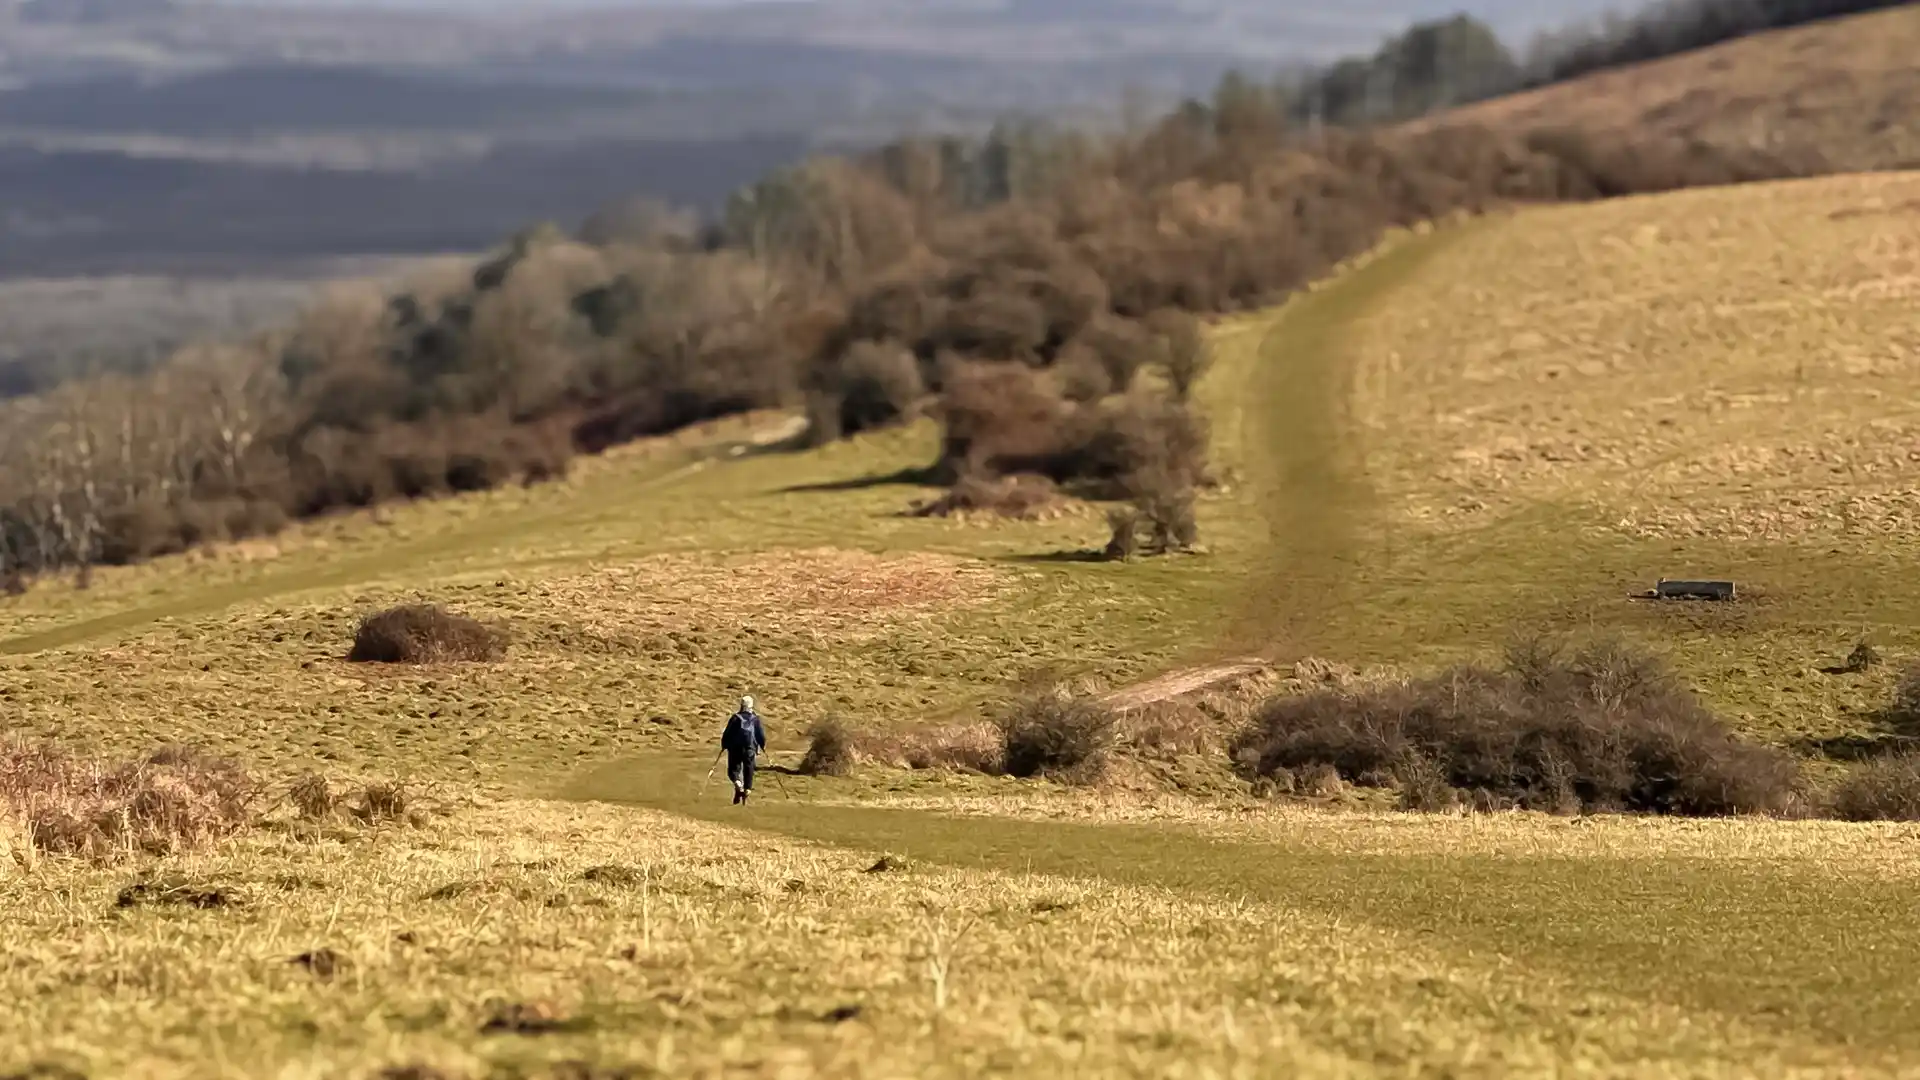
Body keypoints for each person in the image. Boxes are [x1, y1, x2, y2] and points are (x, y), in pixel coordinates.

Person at [720, 695, 767, 805]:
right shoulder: (755, 719)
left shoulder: (735, 718)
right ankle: (747, 790)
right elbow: (760, 735)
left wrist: (724, 745)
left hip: (735, 748)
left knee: (733, 770)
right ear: (751, 706)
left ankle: (738, 784)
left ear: (741, 706)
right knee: (749, 770)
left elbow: (727, 733)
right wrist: (762, 746)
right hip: (750, 749)